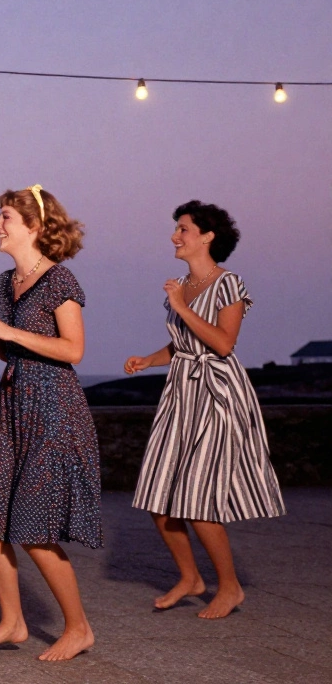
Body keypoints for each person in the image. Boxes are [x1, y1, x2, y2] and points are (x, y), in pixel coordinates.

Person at [126, 201, 285, 619]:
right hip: (180, 393)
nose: (175, 236)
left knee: (197, 499)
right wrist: (148, 359)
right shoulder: (182, 285)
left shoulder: (228, 283)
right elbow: (183, 344)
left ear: (207, 236)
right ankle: (190, 578)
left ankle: (229, 587)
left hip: (217, 394)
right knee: (159, 498)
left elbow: (223, 343)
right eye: (176, 229)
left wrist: (180, 306)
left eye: (183, 228)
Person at [0, 185, 100, 662]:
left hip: (54, 409)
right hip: (12, 404)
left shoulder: (61, 282)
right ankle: (13, 622)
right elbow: (10, 348)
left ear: (34, 227)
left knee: (35, 528)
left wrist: (6, 330)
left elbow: (73, 350)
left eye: (4, 218)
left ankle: (78, 627)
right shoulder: (6, 283)